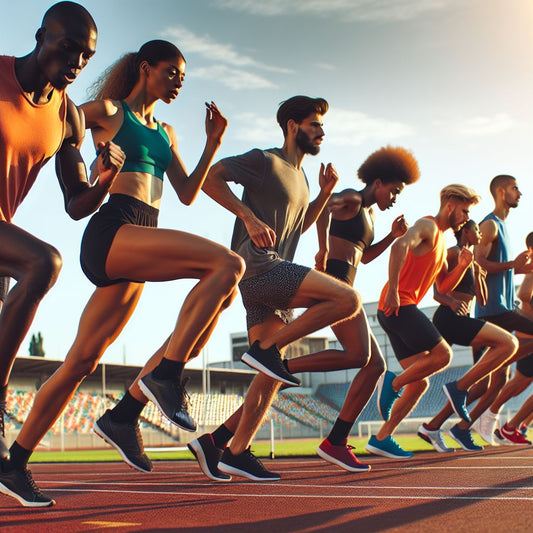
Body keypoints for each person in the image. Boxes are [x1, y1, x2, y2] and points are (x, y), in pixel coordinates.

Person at [0, 39, 244, 508]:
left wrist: (212, 143)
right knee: (226, 265)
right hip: (113, 229)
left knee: (81, 361)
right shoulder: (110, 110)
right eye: (172, 72)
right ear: (145, 68)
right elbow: (62, 123)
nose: (178, 82)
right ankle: (164, 378)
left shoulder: (167, 132)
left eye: (183, 77)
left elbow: (188, 193)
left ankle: (16, 462)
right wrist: (91, 168)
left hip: (142, 237)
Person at [188, 95, 361, 482]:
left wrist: (323, 195)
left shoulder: (299, 177)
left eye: (322, 127)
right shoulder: (265, 160)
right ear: (292, 126)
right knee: (346, 298)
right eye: (315, 125)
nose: (321, 132)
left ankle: (232, 450)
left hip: (272, 278)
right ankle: (266, 350)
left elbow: (296, 227)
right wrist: (247, 216)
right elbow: (212, 178)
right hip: (260, 268)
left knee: (269, 378)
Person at [0, 2, 124, 463]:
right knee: (44, 262)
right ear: (40, 36)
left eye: (86, 56)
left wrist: (103, 183)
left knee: (34, 267)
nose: (75, 62)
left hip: (2, 240)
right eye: (67, 47)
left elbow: (76, 204)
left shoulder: (67, 117)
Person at [311, 146, 419, 471]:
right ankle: (335, 440)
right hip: (333, 284)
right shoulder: (352, 199)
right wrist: (321, 250)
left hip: (346, 288)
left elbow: (365, 256)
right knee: (371, 364)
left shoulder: (368, 215)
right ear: (378, 182)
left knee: (374, 365)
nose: (395, 198)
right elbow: (319, 211)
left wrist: (391, 236)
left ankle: (336, 441)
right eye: (394, 191)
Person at [365, 184, 480, 459]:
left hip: (395, 310)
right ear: (450, 205)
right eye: (464, 210)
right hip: (399, 305)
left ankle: (382, 438)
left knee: (419, 383)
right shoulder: (427, 226)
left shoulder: (440, 242)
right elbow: (399, 247)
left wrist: (462, 267)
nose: (466, 217)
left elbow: (440, 290)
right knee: (443, 355)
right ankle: (392, 384)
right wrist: (393, 290)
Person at [417, 220, 517, 453]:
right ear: (466, 231)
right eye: (477, 230)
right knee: (419, 370)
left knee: (483, 385)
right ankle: (453, 392)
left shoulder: (471, 260)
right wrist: (452, 302)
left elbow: (481, 300)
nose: (480, 233)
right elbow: (437, 291)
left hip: (465, 319)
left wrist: (479, 274)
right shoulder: (452, 253)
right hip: (448, 317)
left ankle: (435, 426)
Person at [470, 176, 533, 444]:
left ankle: (466, 426)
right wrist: (512, 265)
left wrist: (523, 268)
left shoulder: (505, 227)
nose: (519, 193)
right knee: (482, 381)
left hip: (504, 310)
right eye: (514, 188)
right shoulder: (490, 225)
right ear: (500, 191)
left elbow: (507, 270)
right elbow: (478, 263)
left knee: (493, 383)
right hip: (491, 311)